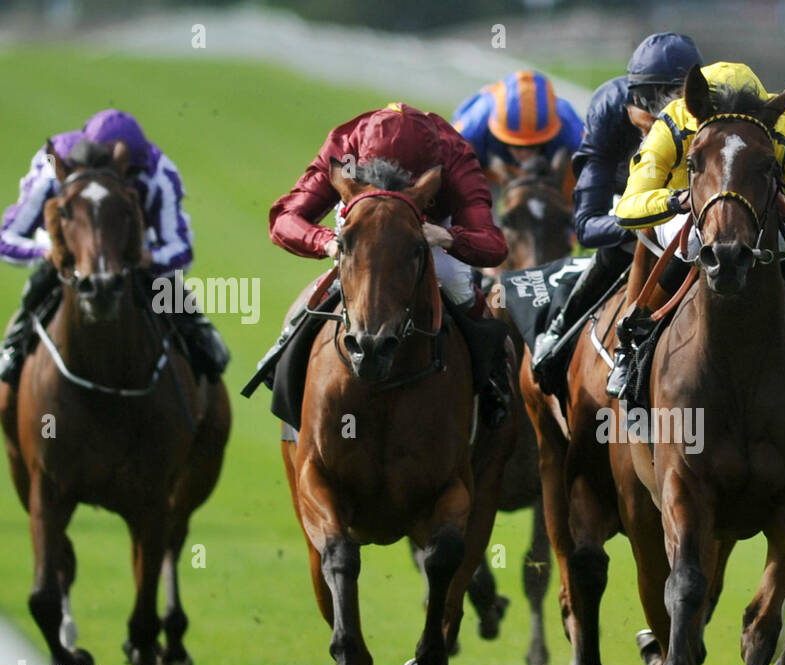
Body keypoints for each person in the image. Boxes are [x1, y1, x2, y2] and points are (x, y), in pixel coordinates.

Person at [608, 61, 785, 402]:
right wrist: (678, 199)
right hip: (687, 212)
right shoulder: (676, 119)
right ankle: (633, 343)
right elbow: (628, 207)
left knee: (781, 240)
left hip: (755, 215)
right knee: (692, 241)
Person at [265, 101, 511, 425]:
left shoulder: (453, 154)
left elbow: (492, 244)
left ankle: (493, 383)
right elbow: (285, 218)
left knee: (455, 282)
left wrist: (447, 237)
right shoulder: (346, 145)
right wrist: (325, 242)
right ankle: (282, 362)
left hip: (428, 229)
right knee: (331, 288)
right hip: (364, 223)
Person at [530, 31, 703, 396]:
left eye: (672, 98)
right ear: (630, 97)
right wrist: (653, 216)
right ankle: (565, 329)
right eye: (647, 99)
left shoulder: (714, 108)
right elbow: (588, 225)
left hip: (698, 214)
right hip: (635, 207)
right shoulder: (611, 107)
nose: (661, 113)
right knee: (631, 241)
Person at [0, 109, 228, 385]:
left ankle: (200, 340)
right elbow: (7, 239)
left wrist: (149, 258)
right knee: (40, 284)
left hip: (133, 251)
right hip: (70, 254)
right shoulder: (51, 167)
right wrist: (47, 253)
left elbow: (181, 249)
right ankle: (15, 344)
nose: (128, 178)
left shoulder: (158, 172)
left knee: (177, 300)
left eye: (132, 173)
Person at [452, 71, 584, 196]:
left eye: (533, 146)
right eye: (517, 146)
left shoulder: (569, 127)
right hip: (486, 170)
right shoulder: (473, 127)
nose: (525, 154)